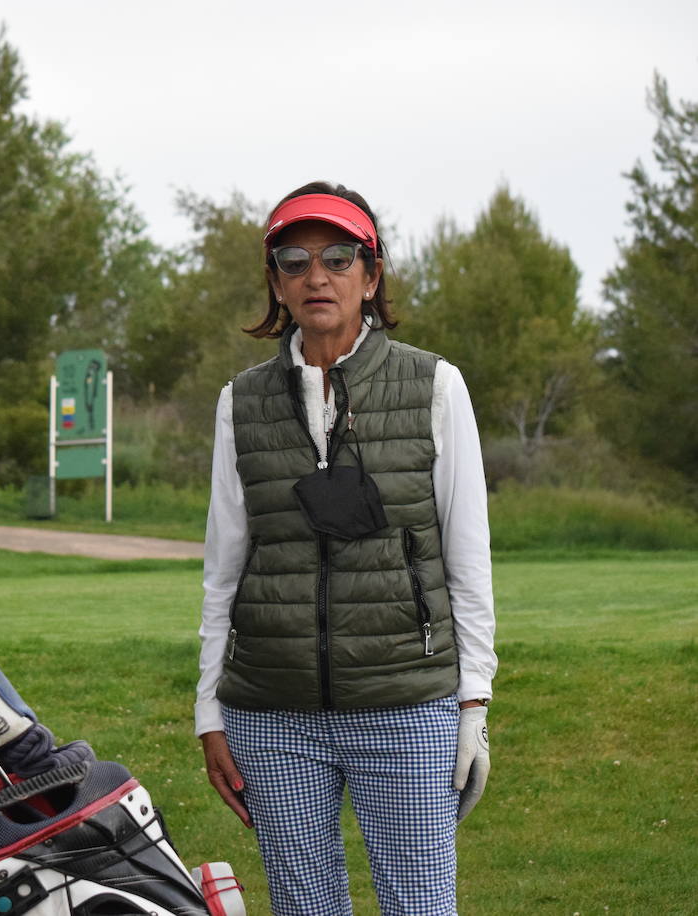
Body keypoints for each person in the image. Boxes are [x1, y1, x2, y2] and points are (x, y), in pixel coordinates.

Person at [195, 182, 495, 915]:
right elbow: (224, 567)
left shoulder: (435, 385)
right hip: (271, 714)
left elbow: (467, 554)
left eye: (338, 257)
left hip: (407, 702)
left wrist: (473, 703)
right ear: (275, 281)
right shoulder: (241, 400)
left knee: (420, 906)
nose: (316, 276)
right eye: (293, 260)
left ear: (372, 273)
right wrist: (211, 711)